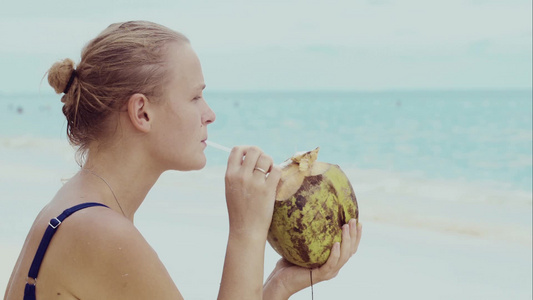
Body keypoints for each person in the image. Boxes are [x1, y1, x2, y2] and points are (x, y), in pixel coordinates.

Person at [3, 20, 362, 300]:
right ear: (142, 113)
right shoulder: (100, 231)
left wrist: (280, 284)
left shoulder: (79, 210)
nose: (210, 115)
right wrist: (246, 230)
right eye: (195, 97)